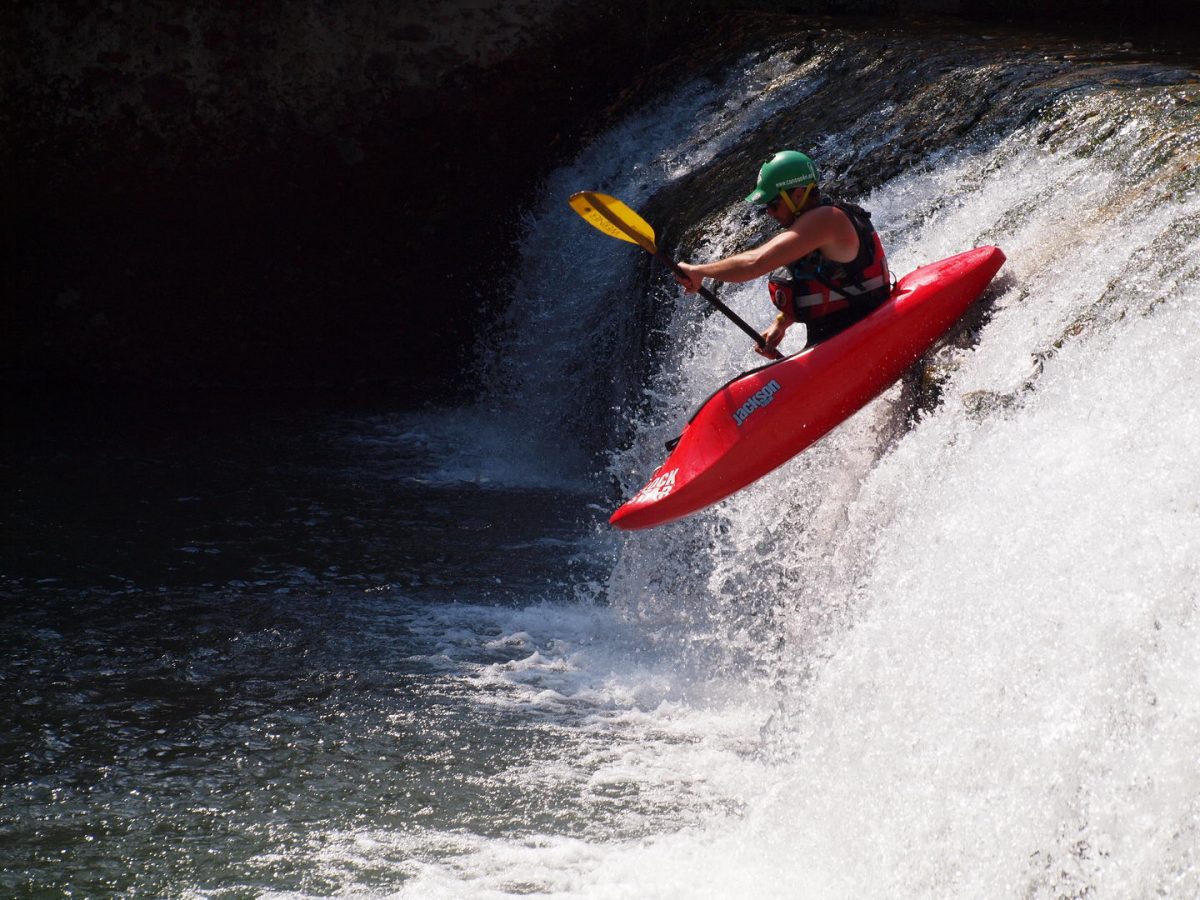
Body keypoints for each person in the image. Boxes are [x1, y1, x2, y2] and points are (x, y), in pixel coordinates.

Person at [674, 150, 892, 357]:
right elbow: (834, 279)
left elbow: (754, 263)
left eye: (773, 204)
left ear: (798, 195)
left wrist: (698, 271)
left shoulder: (825, 220)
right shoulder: (816, 223)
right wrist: (782, 321)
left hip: (862, 333)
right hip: (844, 334)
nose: (769, 212)